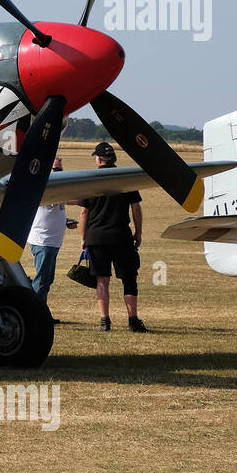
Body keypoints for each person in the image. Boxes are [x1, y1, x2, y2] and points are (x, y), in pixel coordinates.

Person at [78, 142, 147, 333]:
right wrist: (138, 232)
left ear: (98, 159)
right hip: (121, 236)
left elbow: (84, 213)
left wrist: (83, 238)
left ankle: (105, 321)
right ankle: (133, 320)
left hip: (96, 237)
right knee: (129, 279)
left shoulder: (90, 180)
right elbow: (136, 207)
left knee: (102, 280)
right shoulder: (124, 178)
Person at [26, 157, 78, 319]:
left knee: (47, 281)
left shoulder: (56, 186)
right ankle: (34, 315)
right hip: (43, 241)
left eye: (60, 170)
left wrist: (66, 221)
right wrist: (90, 195)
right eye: (56, 169)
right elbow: (71, 200)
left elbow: (55, 211)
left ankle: (41, 312)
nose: (59, 172)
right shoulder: (45, 186)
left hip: (52, 241)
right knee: (41, 281)